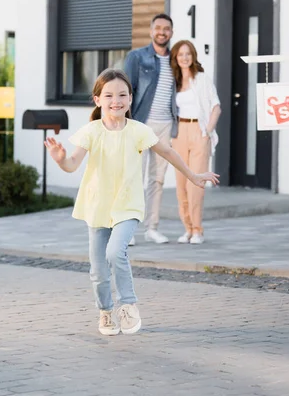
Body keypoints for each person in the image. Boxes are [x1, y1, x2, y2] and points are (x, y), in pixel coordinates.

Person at [44, 69, 219, 336]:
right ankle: (105, 312)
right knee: (98, 270)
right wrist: (60, 159)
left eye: (123, 95)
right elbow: (71, 165)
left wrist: (193, 176)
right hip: (98, 206)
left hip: (128, 205)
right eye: (110, 95)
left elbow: (168, 152)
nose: (117, 100)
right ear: (97, 100)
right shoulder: (91, 131)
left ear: (130, 99)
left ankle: (128, 305)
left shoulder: (138, 130)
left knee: (115, 253)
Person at [124, 13, 177, 244]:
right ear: (151, 30)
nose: (162, 32)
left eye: (166, 29)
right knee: (134, 177)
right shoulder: (137, 57)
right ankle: (128, 230)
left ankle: (152, 228)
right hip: (139, 123)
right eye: (158, 28)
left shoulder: (176, 60)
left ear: (171, 33)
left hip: (165, 125)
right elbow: (125, 90)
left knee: (157, 179)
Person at [170, 40, 221, 245]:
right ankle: (188, 229)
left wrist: (207, 132)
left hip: (199, 132)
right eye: (180, 54)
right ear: (175, 58)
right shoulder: (173, 82)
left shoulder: (202, 79)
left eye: (188, 54)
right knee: (181, 184)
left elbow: (215, 106)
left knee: (196, 183)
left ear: (193, 56)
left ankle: (198, 230)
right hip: (178, 133)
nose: (184, 57)